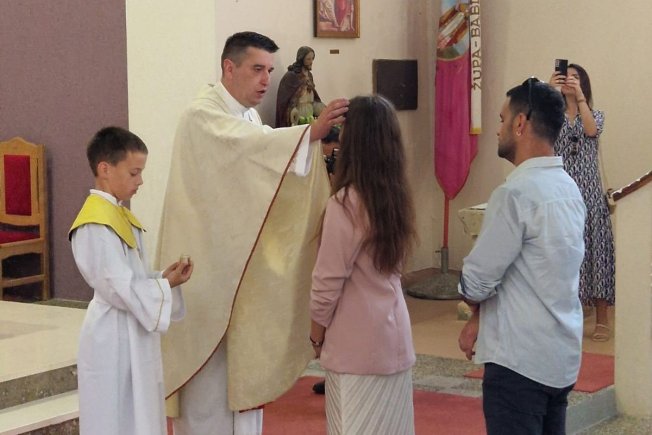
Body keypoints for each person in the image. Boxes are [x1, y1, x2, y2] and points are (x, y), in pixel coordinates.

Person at [157, 31, 348, 435]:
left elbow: (261, 168)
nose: (266, 80)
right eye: (257, 69)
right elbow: (250, 147)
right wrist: (309, 133)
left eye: (270, 71)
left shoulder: (248, 117)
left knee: (242, 376)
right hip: (206, 271)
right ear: (229, 68)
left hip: (240, 265)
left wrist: (308, 142)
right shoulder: (202, 115)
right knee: (208, 390)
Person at [457, 78, 586, 434]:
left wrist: (473, 304)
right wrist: (480, 318)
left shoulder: (515, 194)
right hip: (560, 356)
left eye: (502, 120)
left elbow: (477, 282)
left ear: (520, 123)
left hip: (519, 363)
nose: (498, 130)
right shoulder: (569, 188)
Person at [69, 126, 193, 435]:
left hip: (132, 329)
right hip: (112, 336)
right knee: (113, 417)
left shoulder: (119, 215)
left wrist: (163, 278)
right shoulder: (95, 223)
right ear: (105, 169)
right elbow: (117, 287)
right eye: (134, 173)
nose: (140, 181)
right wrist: (162, 287)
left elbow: (132, 278)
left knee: (138, 413)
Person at [310, 95, 417, 434]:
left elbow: (327, 283)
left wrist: (315, 336)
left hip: (356, 346)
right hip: (394, 336)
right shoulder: (396, 196)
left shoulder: (345, 204)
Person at [550, 63, 615, 342]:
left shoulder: (595, 114)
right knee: (564, 257)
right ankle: (568, 318)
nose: (569, 80)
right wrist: (549, 90)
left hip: (590, 195)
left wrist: (579, 98)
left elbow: (590, 130)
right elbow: (537, 128)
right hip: (561, 193)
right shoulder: (552, 116)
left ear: (584, 84)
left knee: (597, 255)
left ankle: (602, 319)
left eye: (575, 78)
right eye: (566, 76)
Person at [275, 46, 323, 127]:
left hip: (309, 113)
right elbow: (284, 102)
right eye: (308, 59)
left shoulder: (309, 75)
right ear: (301, 59)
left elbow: (313, 97)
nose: (311, 62)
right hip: (297, 116)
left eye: (312, 59)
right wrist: (292, 112)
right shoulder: (291, 76)